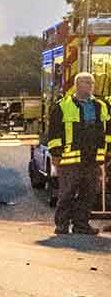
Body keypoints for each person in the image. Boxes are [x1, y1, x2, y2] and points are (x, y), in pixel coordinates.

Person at [47, 72, 110, 235]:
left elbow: (107, 130)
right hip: (70, 159)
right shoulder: (62, 106)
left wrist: (107, 152)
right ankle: (61, 225)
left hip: (93, 158)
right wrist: (55, 153)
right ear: (76, 85)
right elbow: (54, 132)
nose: (90, 86)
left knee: (89, 193)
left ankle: (81, 225)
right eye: (86, 82)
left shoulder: (101, 106)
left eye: (92, 83)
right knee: (67, 193)